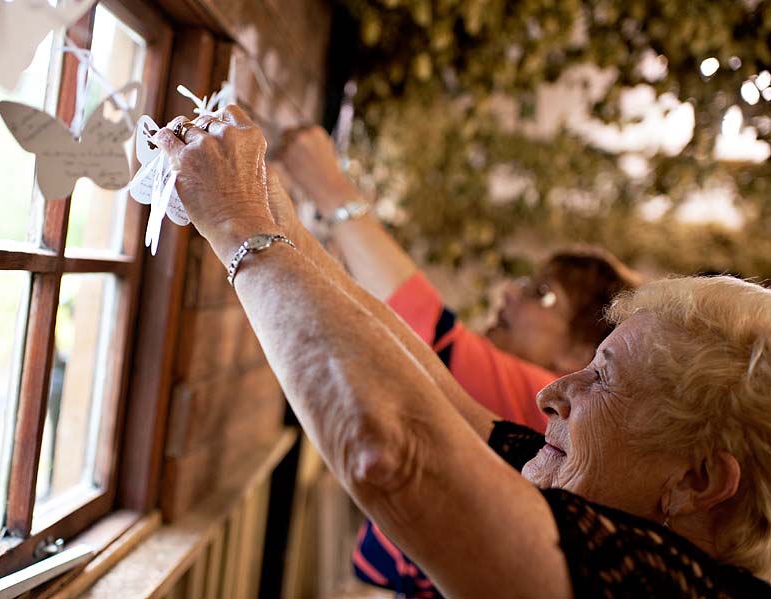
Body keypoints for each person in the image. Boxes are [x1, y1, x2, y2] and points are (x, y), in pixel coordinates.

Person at [157, 107, 771, 597]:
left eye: (603, 380)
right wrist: (273, 217)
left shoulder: (663, 585)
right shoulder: (593, 490)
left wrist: (238, 224)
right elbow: (435, 391)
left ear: (699, 480)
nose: (549, 392)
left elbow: (392, 450)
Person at [280, 126, 642, 595]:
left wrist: (328, 185)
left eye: (543, 294)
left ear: (581, 353)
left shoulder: (549, 403)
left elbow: (428, 330)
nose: (511, 292)